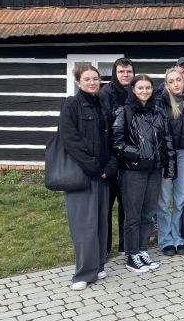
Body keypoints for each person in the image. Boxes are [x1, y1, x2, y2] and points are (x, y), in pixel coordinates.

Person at [59, 63, 117, 291]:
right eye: (87, 79)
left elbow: (110, 138)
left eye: (95, 78)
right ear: (78, 82)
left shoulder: (102, 103)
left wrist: (109, 166)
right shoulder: (71, 105)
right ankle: (82, 274)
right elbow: (70, 140)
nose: (92, 82)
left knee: (101, 222)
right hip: (82, 175)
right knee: (84, 225)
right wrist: (95, 167)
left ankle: (98, 265)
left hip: (103, 174)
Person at [111, 75, 176, 273]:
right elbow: (117, 142)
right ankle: (132, 255)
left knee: (148, 213)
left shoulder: (159, 112)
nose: (144, 91)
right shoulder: (124, 112)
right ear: (133, 89)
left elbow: (168, 141)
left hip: (154, 170)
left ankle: (142, 250)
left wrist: (169, 167)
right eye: (140, 88)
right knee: (133, 215)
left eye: (148, 87)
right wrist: (140, 155)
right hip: (133, 171)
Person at [154, 68, 184, 256]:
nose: (175, 84)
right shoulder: (160, 103)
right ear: (166, 84)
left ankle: (177, 237)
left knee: (180, 199)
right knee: (164, 200)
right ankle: (165, 239)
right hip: (166, 155)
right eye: (171, 81)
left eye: (178, 80)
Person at [98, 58, 135, 256]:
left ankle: (125, 245)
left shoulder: (135, 91)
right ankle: (104, 247)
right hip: (110, 156)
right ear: (115, 73)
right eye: (121, 71)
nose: (125, 75)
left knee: (126, 204)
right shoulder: (105, 93)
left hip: (130, 155)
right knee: (106, 204)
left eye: (129, 71)